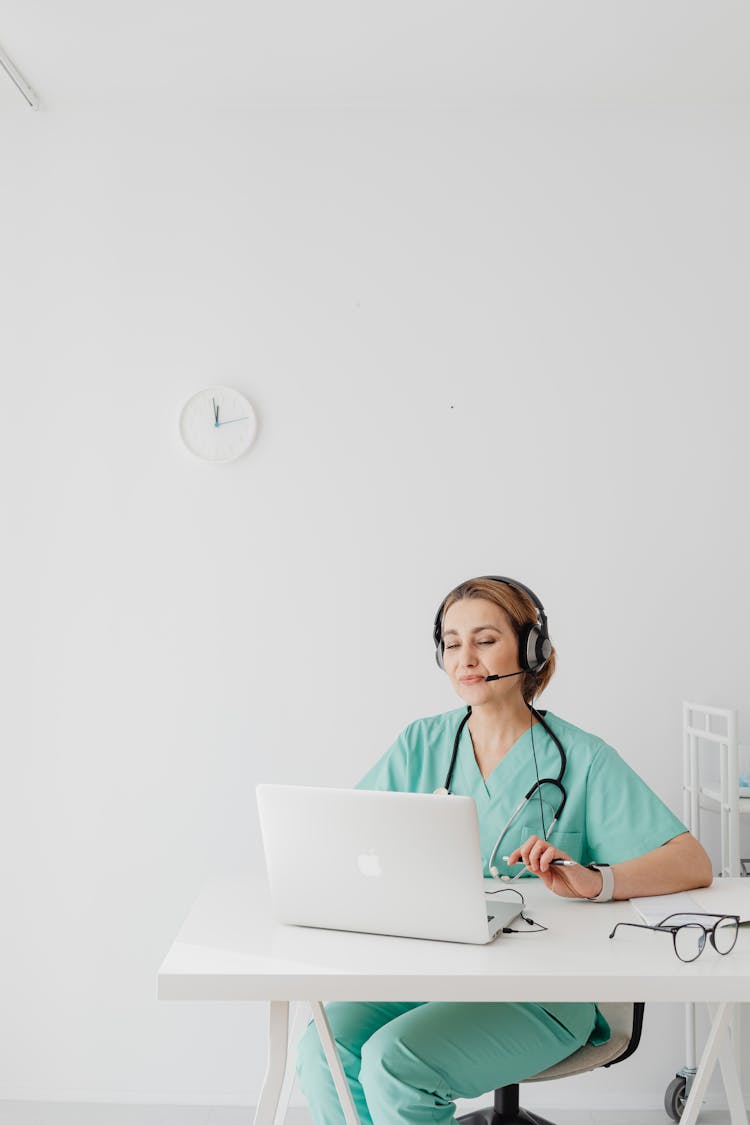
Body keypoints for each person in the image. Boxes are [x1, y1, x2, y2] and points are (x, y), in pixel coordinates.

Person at [296, 576, 712, 1125]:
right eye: (451, 642)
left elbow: (692, 863)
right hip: (429, 980)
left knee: (395, 1062)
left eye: (485, 640)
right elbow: (345, 840)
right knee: (324, 1050)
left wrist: (598, 880)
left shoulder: (582, 758)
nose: (464, 658)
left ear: (531, 649)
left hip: (544, 994)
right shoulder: (420, 745)